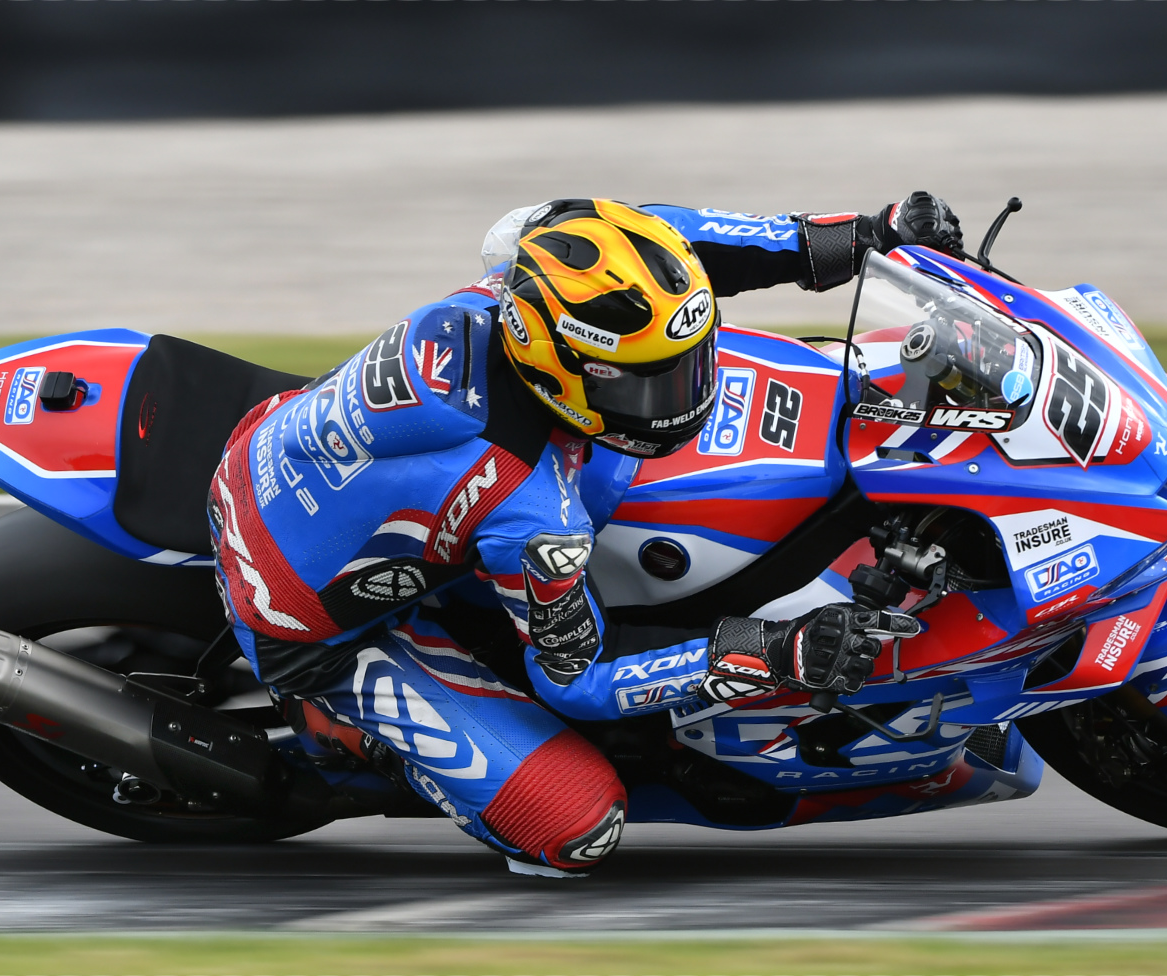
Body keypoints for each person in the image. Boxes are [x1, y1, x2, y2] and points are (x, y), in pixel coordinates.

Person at [207, 194, 958, 875]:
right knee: (578, 829)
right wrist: (772, 651)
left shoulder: (532, 269)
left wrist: (863, 237)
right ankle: (343, 737)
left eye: (688, 365)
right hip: (306, 621)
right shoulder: (529, 508)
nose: (688, 391)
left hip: (294, 456)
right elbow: (580, 679)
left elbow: (676, 245)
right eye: (649, 383)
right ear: (559, 365)